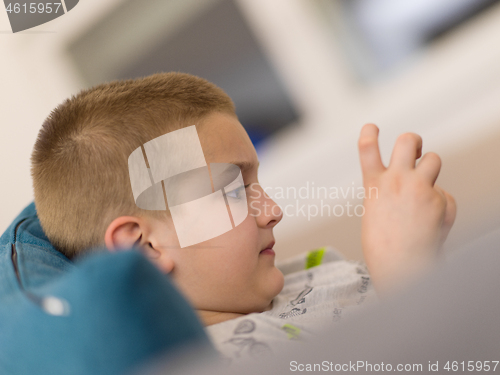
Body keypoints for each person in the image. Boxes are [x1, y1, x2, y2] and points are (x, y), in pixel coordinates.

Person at [30, 72, 456, 361]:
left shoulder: (300, 274)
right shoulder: (213, 360)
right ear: (143, 248)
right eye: (232, 191)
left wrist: (424, 245)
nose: (273, 211)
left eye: (256, 184)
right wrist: (405, 272)